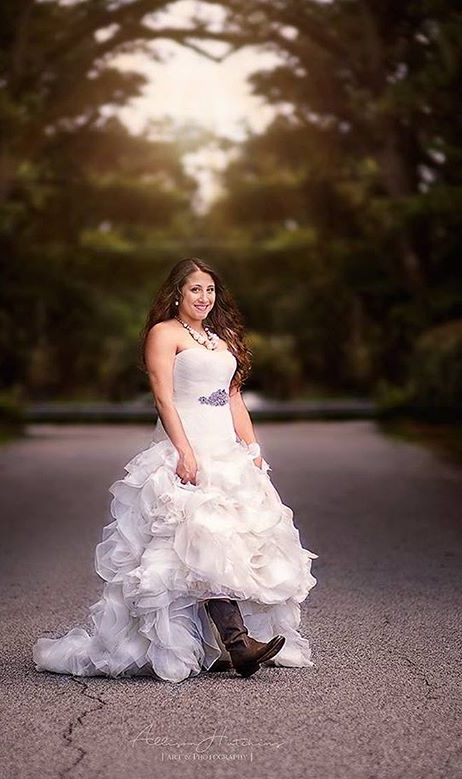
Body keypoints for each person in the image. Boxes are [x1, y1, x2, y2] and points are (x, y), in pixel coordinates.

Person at [32, 257, 318, 683]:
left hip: (226, 451)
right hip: (186, 447)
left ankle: (229, 644)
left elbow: (233, 398)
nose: (204, 298)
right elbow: (164, 399)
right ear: (177, 294)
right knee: (193, 540)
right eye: (195, 290)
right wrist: (183, 451)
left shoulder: (221, 340)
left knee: (230, 541)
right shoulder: (163, 335)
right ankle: (237, 645)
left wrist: (252, 447)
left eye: (210, 290)